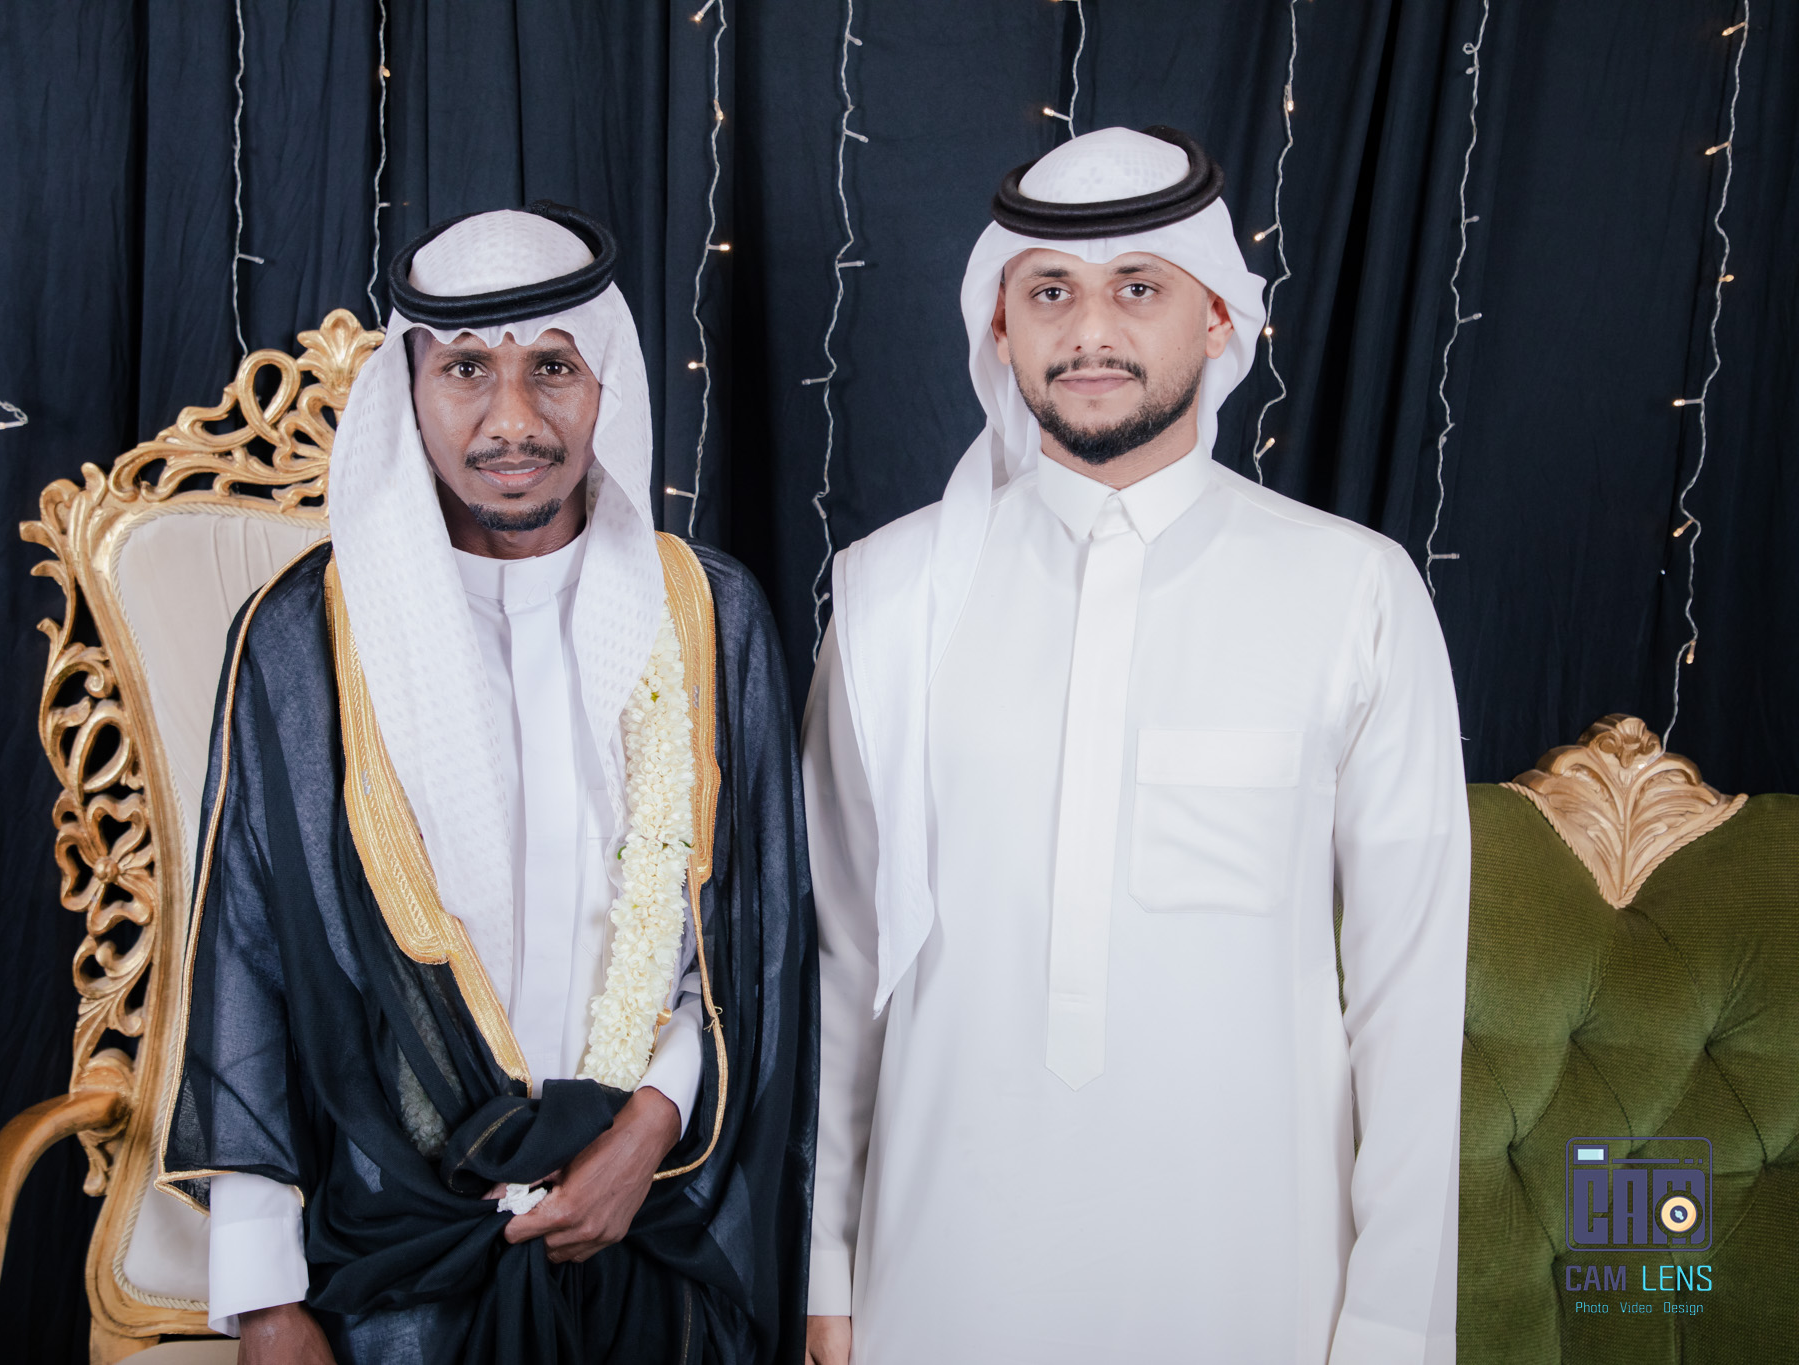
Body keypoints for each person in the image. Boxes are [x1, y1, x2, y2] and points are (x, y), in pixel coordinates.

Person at [804, 126, 1467, 1364]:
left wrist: (1389, 1326)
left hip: (1256, 1285)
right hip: (938, 1276)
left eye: (1138, 288)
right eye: (1049, 291)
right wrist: (822, 1269)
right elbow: (842, 964)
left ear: (1216, 319)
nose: (1089, 331)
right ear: (999, 325)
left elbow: (1409, 1004)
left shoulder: (1354, 593)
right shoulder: (890, 597)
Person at [157, 203, 816, 1365]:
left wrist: (646, 1133)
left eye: (551, 367)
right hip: (395, 1245)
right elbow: (247, 959)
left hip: (650, 1218)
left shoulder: (707, 616)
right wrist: (262, 1300)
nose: (512, 420)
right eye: (465, 369)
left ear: (604, 385)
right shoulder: (305, 638)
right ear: (409, 389)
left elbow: (752, 942)